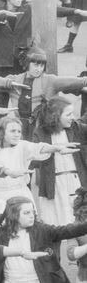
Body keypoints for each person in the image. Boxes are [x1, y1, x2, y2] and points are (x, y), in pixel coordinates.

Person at [0, 117, 68, 232]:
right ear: (2, 132)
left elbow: (40, 148)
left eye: (19, 131)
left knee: (26, 232)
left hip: (21, 195)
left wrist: (56, 148)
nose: (17, 134)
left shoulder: (22, 146)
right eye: (12, 131)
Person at [0, 195, 87, 283]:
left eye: (32, 212)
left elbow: (68, 230)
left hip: (38, 282)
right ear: (14, 215)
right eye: (26, 213)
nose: (32, 216)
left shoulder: (43, 230)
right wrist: (0, 250)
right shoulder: (2, 234)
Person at [31, 96, 87, 226]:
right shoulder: (40, 133)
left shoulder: (78, 128)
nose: (72, 117)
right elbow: (33, 159)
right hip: (53, 186)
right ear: (55, 116)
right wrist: (52, 150)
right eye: (68, 114)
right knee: (55, 226)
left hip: (77, 183)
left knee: (80, 226)